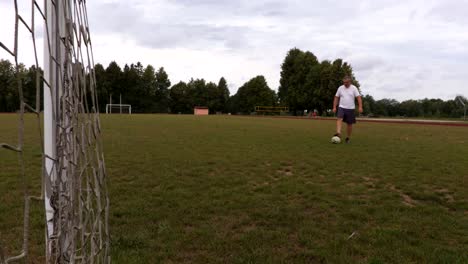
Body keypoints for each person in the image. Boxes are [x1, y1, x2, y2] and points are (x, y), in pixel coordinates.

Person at [332, 76, 363, 143]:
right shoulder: (340, 88)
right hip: (341, 107)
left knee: (349, 124)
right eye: (344, 82)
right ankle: (338, 133)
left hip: (350, 108)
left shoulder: (354, 88)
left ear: (350, 82)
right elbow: (336, 97)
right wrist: (334, 107)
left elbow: (358, 97)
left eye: (346, 82)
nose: (345, 84)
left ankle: (348, 138)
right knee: (339, 118)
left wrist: (360, 107)